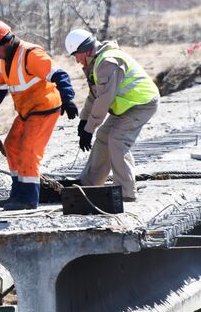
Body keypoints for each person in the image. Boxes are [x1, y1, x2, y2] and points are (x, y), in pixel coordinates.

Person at [0, 19, 78, 210]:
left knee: (28, 151)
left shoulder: (31, 55)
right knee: (11, 145)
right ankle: (18, 193)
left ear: (8, 41)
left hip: (44, 109)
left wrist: (68, 100)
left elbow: (60, 75)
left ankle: (28, 199)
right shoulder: (2, 62)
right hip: (26, 112)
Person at [64, 28, 160, 202]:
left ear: (85, 51)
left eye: (75, 55)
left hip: (142, 104)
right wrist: (84, 120)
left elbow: (104, 98)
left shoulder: (108, 62)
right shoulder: (96, 62)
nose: (76, 60)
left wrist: (89, 128)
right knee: (103, 136)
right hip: (126, 107)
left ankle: (126, 193)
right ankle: (88, 186)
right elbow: (95, 94)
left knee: (117, 140)